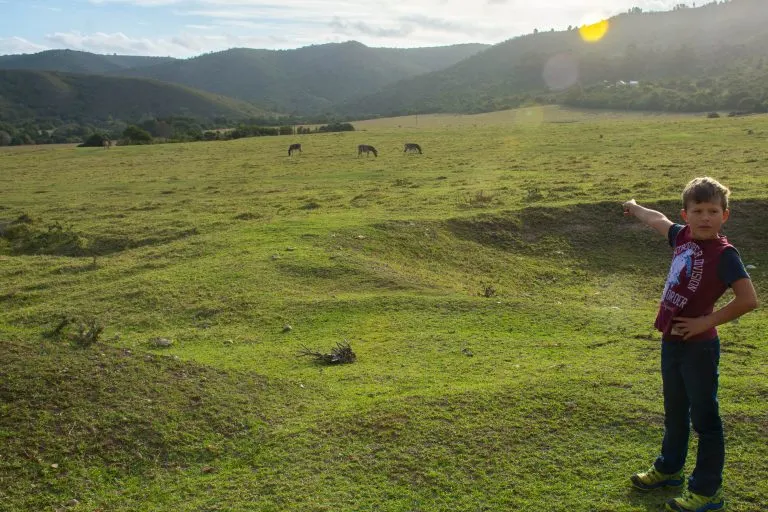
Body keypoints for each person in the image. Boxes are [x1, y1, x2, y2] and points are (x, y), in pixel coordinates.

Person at [622, 177, 758, 512]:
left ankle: (707, 491)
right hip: (672, 342)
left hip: (700, 348)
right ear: (687, 214)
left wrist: (703, 322)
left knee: (705, 419)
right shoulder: (682, 236)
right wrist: (635, 206)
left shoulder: (725, 254)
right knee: (674, 411)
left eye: (713, 210)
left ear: (725, 216)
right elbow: (658, 220)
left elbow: (748, 299)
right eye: (698, 210)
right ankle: (669, 469)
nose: (705, 217)